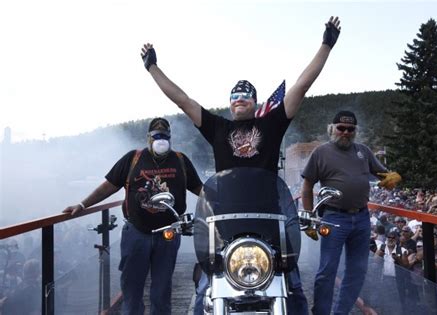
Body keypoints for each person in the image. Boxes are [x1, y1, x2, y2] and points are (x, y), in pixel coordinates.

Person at [141, 15, 343, 315]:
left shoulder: (272, 124)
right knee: (204, 292)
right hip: (225, 225)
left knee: (296, 291)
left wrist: (326, 44)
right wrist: (152, 67)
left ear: (255, 102)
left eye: (245, 96)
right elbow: (182, 100)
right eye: (234, 96)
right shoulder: (217, 128)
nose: (239, 99)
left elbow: (301, 86)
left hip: (271, 222)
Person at [63, 118, 202, 315]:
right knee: (131, 288)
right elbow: (109, 186)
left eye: (164, 136)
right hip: (137, 233)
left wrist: (222, 200)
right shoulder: (133, 158)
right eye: (156, 136)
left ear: (170, 138)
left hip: (168, 234)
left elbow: (199, 189)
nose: (160, 139)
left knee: (162, 290)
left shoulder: (180, 160)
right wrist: (83, 204)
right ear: (148, 138)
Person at [300, 110, 401, 315]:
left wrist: (392, 177)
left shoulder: (363, 151)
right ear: (332, 129)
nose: (345, 132)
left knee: (357, 271)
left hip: (362, 217)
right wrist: (309, 216)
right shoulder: (320, 152)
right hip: (334, 217)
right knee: (327, 270)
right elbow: (307, 185)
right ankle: (321, 312)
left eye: (350, 129)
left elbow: (383, 174)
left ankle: (341, 313)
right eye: (341, 128)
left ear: (355, 131)